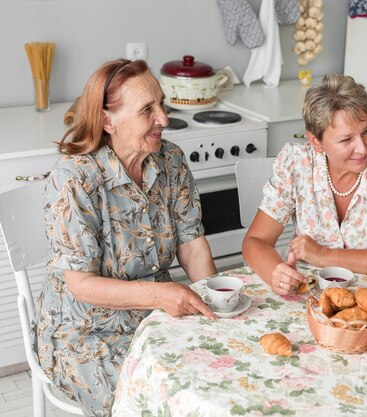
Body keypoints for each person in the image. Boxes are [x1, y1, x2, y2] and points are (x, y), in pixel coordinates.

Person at [33, 58, 218, 416]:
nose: (163, 118)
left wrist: (214, 302)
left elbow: (192, 245)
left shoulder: (172, 162)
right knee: (153, 402)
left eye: (161, 103)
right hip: (85, 332)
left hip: (155, 316)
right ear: (107, 120)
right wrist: (160, 294)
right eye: (147, 110)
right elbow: (82, 284)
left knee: (211, 378)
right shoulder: (74, 179)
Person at [242, 74, 367, 294]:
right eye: (346, 140)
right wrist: (275, 273)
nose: (363, 148)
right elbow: (255, 241)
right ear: (316, 142)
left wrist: (324, 255)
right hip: (308, 294)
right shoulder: (297, 165)